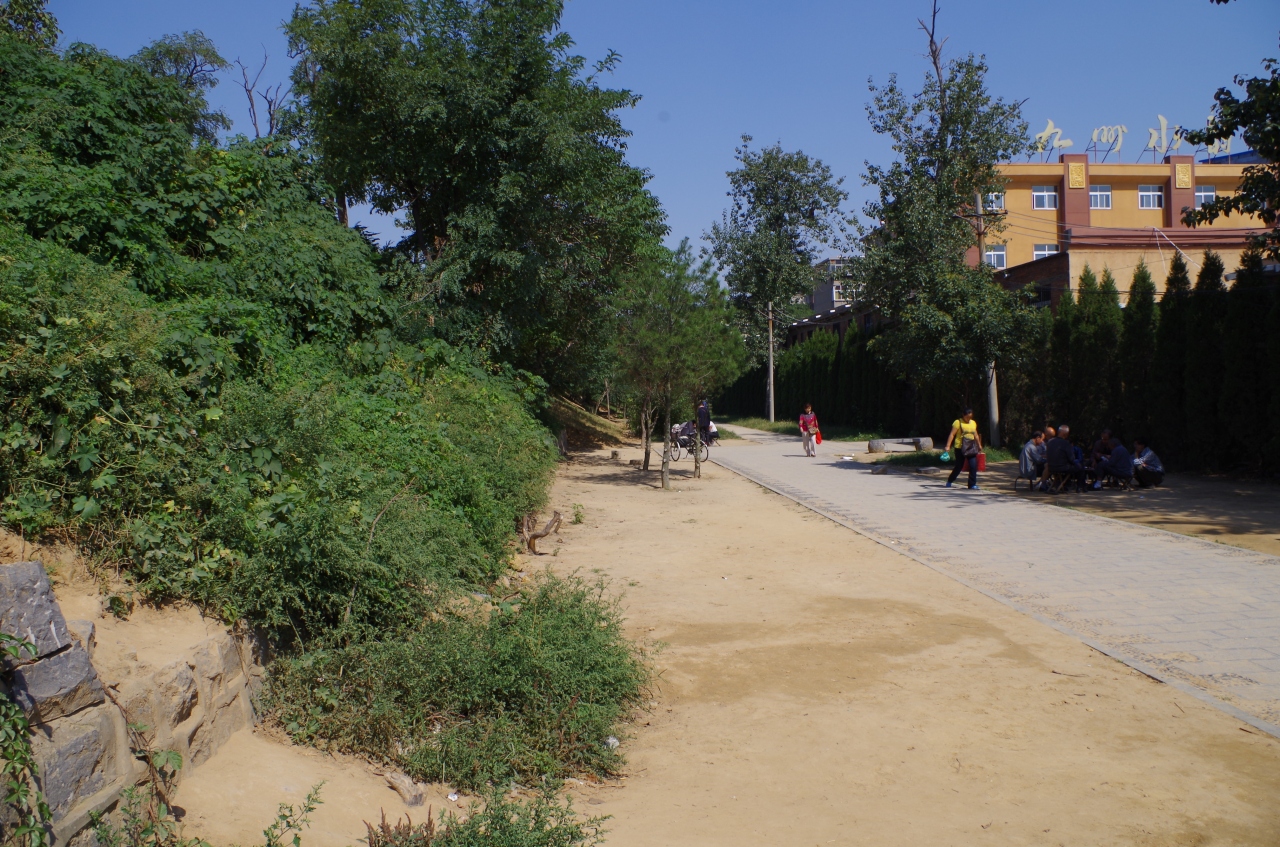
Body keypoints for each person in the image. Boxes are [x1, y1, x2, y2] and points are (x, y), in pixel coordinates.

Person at [944, 408, 982, 489]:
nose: (969, 419)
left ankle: (972, 484)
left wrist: (979, 445)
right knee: (959, 466)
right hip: (960, 447)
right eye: (967, 417)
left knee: (973, 466)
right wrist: (948, 446)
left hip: (971, 447)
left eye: (970, 417)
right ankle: (950, 480)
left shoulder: (973, 423)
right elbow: (952, 434)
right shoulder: (958, 422)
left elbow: (975, 435)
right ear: (963, 415)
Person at [1046, 424, 1085, 491]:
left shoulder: (1050, 442)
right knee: (1080, 466)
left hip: (1051, 467)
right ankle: (1080, 486)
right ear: (1066, 434)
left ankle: (1062, 484)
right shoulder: (1066, 443)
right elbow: (1071, 459)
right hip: (1062, 467)